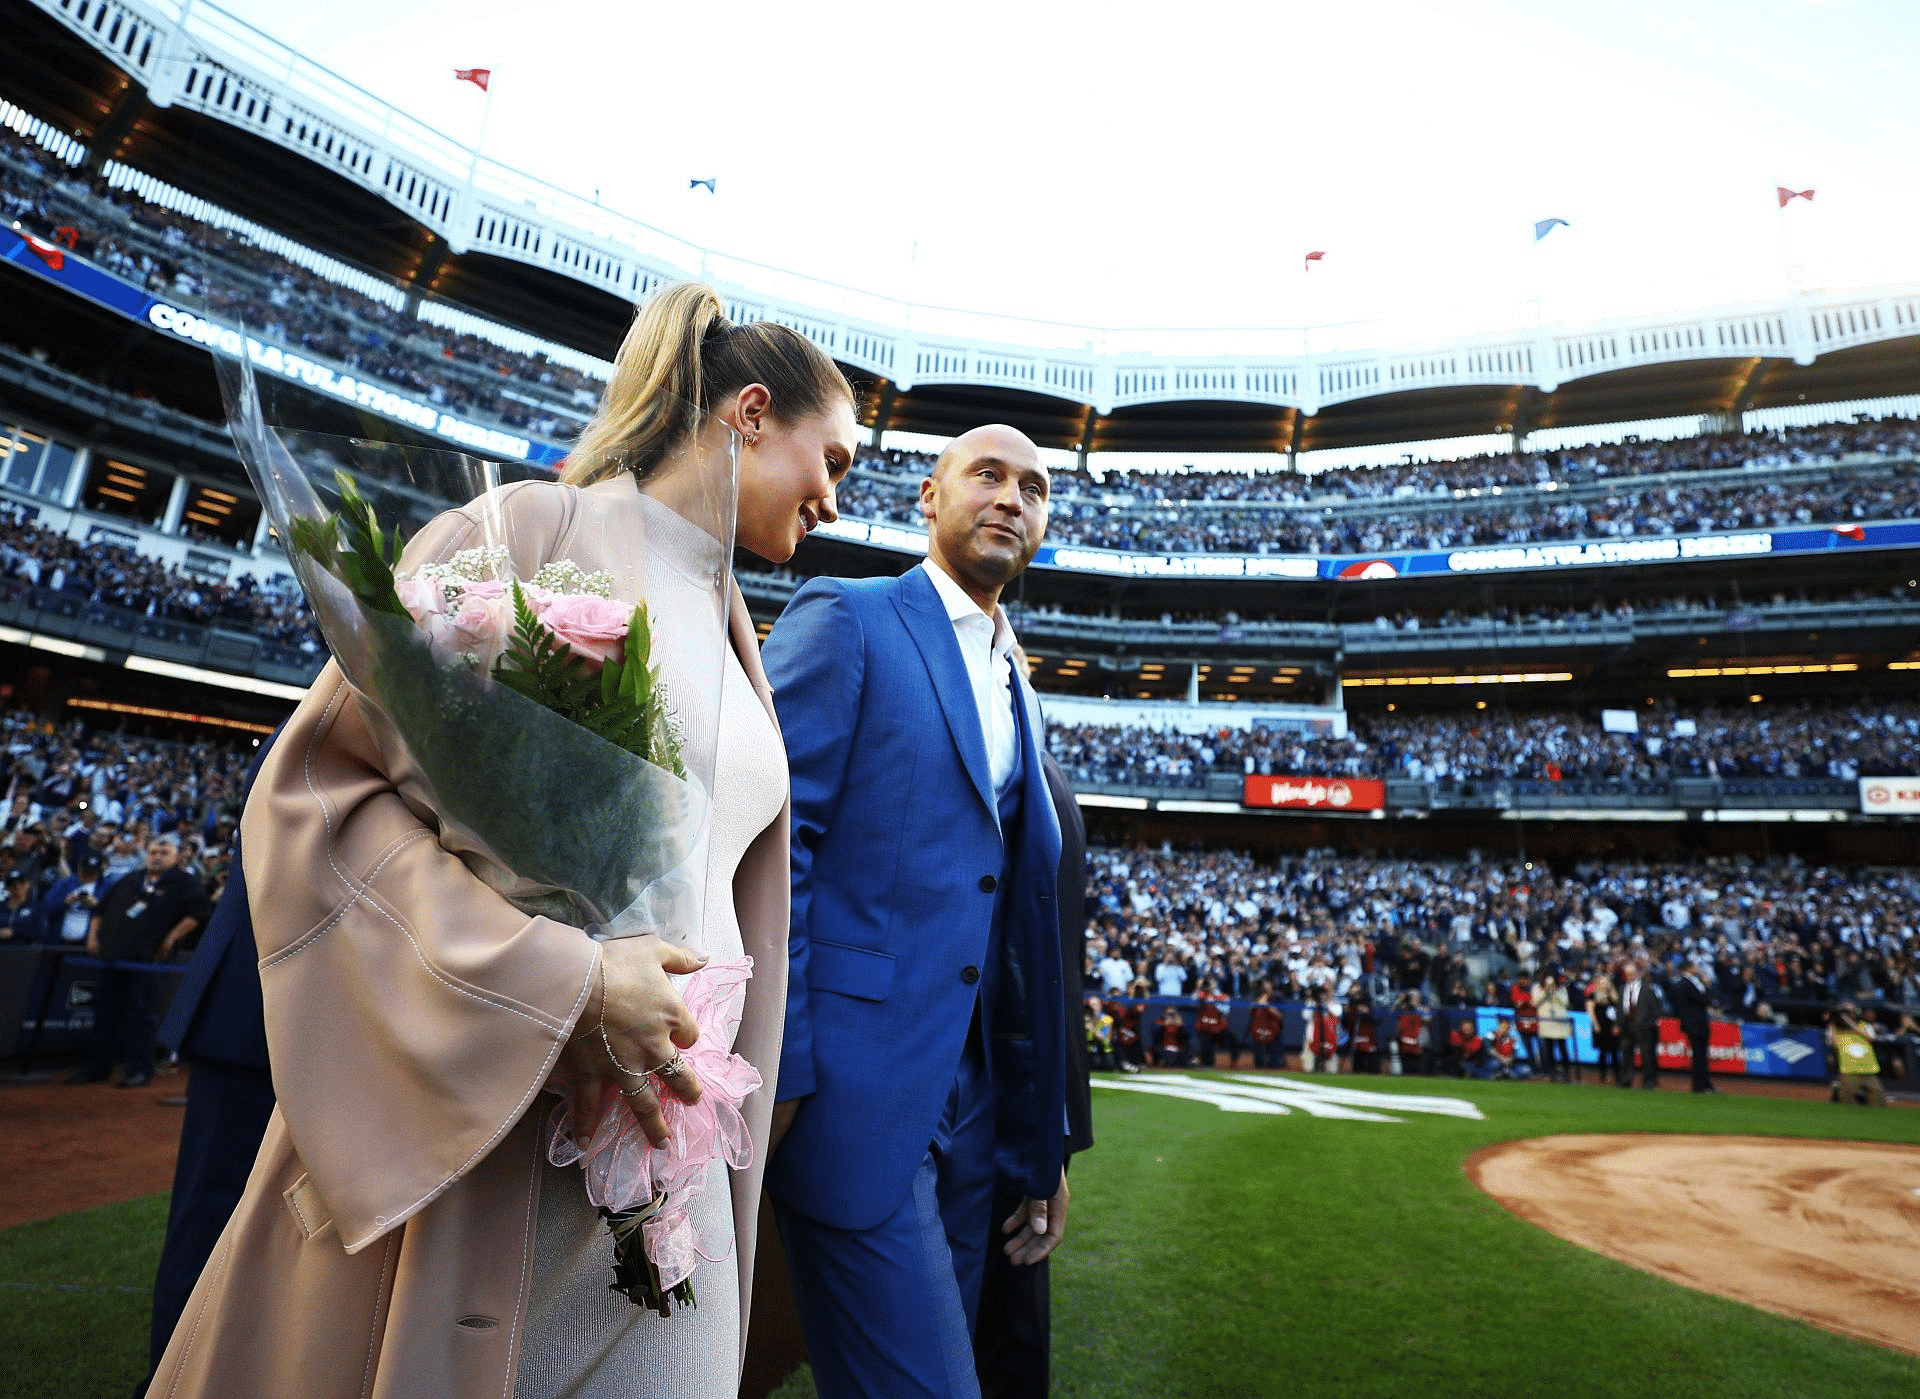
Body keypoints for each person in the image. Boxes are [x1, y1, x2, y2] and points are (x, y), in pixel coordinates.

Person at [149, 283, 858, 1399]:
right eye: (838, 457)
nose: (836, 496)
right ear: (754, 413)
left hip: (681, 1142)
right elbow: (320, 800)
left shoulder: (738, 629)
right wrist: (565, 983)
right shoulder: (529, 529)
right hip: (516, 1121)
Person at [761, 423, 1068, 1399]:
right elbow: (774, 849)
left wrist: (1039, 1137)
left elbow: (1021, 932)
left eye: (1034, 486)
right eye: (987, 474)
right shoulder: (848, 617)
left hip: (976, 1114)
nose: (1012, 497)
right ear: (927, 499)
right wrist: (788, 1072)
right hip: (853, 1098)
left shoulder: (1017, 681)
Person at [974, 749, 1093, 1399]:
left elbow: (1032, 966)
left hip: (1000, 1104)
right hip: (1030, 1106)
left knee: (991, 1340)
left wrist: (1045, 1137)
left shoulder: (1018, 770)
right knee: (1007, 1336)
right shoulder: (1047, 775)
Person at [68, 838, 209, 1088]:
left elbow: (198, 913)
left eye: (164, 852)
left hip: (149, 962)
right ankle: (97, 1068)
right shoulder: (130, 879)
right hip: (113, 959)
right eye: (153, 851)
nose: (157, 856)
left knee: (142, 1016)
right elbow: (100, 909)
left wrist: (172, 937)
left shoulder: (185, 882)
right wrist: (92, 938)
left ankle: (139, 1069)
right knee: (106, 1015)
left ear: (175, 857)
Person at [1669, 960, 1717, 1094]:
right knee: (1699, 1056)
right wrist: (1708, 986)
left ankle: (1705, 1084)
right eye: (1695, 966)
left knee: (1701, 1056)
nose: (1698, 968)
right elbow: (1703, 1000)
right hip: (1695, 1025)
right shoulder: (1685, 984)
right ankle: (1699, 1086)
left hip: (1697, 1024)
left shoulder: (1689, 983)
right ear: (1689, 968)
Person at [1828, 1002, 1886, 1106]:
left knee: (1879, 1100)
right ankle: (1837, 1090)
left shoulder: (1864, 1026)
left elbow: (1871, 1038)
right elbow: (1833, 1043)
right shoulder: (1835, 1028)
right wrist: (1836, 1022)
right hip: (1849, 1071)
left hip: (1868, 1070)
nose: (1851, 1014)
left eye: (1852, 1011)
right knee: (1847, 1102)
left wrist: (1850, 1024)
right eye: (1846, 1012)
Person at [1620, 959, 1663, 1090]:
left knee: (1647, 1054)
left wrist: (1648, 1022)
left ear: (1637, 974)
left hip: (1644, 1026)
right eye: (1627, 974)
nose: (1629, 977)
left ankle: (1649, 1081)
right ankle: (1626, 1080)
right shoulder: (1622, 989)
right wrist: (1619, 1022)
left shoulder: (1647, 989)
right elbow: (1620, 1008)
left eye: (1631, 974)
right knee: (1627, 1053)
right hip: (1627, 1025)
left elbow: (1657, 1009)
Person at [1535, 972, 1572, 1082]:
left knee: (1563, 1048)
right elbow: (1534, 1002)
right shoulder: (1538, 988)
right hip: (1546, 1023)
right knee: (1549, 1049)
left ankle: (1566, 1073)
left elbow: (1565, 1003)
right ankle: (1551, 1072)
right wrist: (1546, 991)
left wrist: (1555, 991)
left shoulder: (1561, 989)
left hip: (1560, 1023)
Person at [1588, 974, 1621, 1085]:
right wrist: (1596, 1024)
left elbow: (1618, 1011)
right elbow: (1590, 1010)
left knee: (1615, 1051)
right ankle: (1603, 1074)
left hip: (1612, 1026)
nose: (1605, 985)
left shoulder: (1614, 996)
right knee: (1603, 1051)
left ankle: (1617, 1075)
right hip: (1601, 1026)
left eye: (1606, 982)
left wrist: (1617, 1025)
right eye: (1602, 983)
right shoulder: (1594, 996)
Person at [1247, 986, 1283, 1070]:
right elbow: (1249, 1011)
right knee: (1259, 1061)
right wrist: (1257, 1003)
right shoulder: (1255, 1006)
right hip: (1258, 1032)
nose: (1264, 998)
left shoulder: (1271, 1005)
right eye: (1262, 996)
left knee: (1274, 1063)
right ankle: (1260, 1063)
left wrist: (1268, 1006)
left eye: (1265, 996)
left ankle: (1274, 1062)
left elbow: (1280, 1016)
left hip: (1271, 1033)